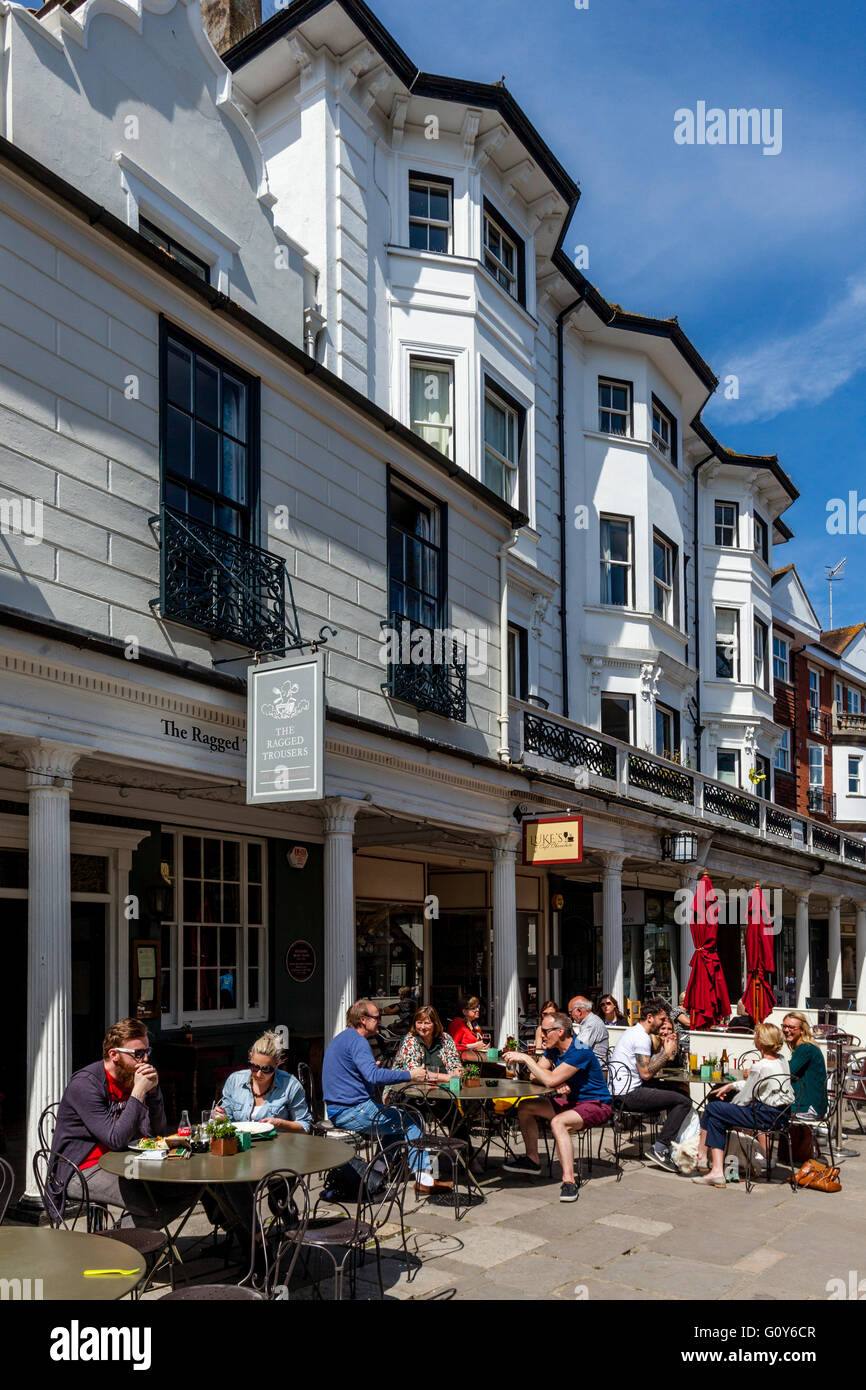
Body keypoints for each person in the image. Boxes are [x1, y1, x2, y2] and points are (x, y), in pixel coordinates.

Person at [49, 1018, 190, 1228]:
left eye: (147, 1053)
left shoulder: (132, 1076)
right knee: (152, 1205)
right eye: (137, 1054)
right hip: (81, 1168)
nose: (144, 1060)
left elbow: (157, 1132)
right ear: (114, 1055)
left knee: (186, 1187)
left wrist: (152, 1094)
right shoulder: (86, 1084)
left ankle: (117, 1241)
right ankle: (114, 1251)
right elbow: (115, 1139)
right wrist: (138, 1092)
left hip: (124, 1160)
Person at [501, 1012, 613, 1202]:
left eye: (545, 1031)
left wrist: (527, 1060)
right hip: (572, 1102)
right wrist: (553, 1081)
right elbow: (534, 1076)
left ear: (560, 1031)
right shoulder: (554, 1049)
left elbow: (547, 1076)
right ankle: (533, 1160)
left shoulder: (579, 1051)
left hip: (596, 1104)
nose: (542, 1035)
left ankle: (569, 1181)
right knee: (526, 1106)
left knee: (559, 1122)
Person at [321, 999, 433, 1186]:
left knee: (398, 1119)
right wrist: (410, 1075)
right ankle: (425, 1179)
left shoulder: (343, 1038)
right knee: (413, 1120)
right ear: (363, 1019)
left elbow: (353, 1074)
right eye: (377, 1018)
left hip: (339, 1108)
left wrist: (369, 1071)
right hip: (351, 1111)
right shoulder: (358, 1042)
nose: (380, 1022)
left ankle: (378, 1169)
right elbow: (374, 1076)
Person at [693, 1022, 794, 1186]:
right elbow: (756, 1085)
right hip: (782, 1115)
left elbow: (744, 1099)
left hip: (763, 1116)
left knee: (712, 1107)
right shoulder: (782, 1060)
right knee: (716, 1117)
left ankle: (702, 1155)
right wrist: (731, 1085)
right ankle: (715, 1171)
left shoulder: (759, 1066)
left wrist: (728, 1106)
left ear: (760, 1041)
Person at [609, 997, 692, 1173]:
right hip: (628, 1095)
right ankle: (660, 1148)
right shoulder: (641, 1037)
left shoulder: (634, 1032)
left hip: (623, 1090)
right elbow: (646, 1073)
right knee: (683, 1102)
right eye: (661, 1019)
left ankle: (676, 1144)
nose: (663, 1023)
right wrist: (667, 1052)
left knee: (680, 1093)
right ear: (649, 1018)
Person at [213, 1030, 311, 1132]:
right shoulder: (235, 1080)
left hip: (276, 1145)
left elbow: (304, 1126)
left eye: (266, 1069)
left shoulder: (290, 1085)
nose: (259, 1074)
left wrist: (280, 1123)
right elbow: (227, 1118)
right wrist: (220, 1116)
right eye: (255, 1067)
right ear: (250, 1057)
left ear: (277, 1064)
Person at [392, 1006, 464, 1079]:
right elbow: (416, 1074)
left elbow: (454, 1063)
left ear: (435, 1024)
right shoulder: (409, 1040)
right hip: (406, 1087)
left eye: (427, 1023)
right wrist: (445, 1077)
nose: (422, 1027)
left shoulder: (445, 1039)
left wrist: (456, 1071)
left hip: (441, 1087)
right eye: (419, 1023)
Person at [782, 1012, 827, 1119]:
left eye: (791, 1027)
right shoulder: (805, 1047)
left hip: (808, 1107)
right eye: (784, 1026)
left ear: (802, 1030)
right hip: (811, 1105)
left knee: (762, 1113)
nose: (787, 1030)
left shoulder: (805, 1048)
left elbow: (787, 1073)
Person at [568, 995, 609, 1067]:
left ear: (579, 1011)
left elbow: (579, 1048)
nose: (570, 1016)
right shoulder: (588, 1021)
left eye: (571, 1012)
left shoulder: (592, 1024)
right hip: (589, 1066)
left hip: (595, 1070)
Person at [447, 997, 488, 1063]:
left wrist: (485, 1046)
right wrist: (473, 1046)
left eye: (478, 1007)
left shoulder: (474, 1025)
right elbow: (452, 1047)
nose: (477, 1009)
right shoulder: (457, 1023)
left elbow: (480, 1042)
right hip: (462, 1065)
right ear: (464, 1011)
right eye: (473, 1008)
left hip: (477, 1061)